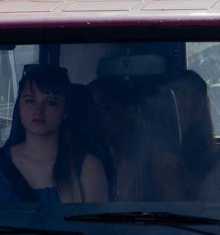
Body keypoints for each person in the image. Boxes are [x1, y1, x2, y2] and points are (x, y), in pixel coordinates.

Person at [0, 65, 108, 203]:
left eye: (51, 102)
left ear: (66, 111)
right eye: (30, 101)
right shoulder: (3, 163)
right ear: (19, 106)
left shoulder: (87, 167)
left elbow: (95, 224)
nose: (38, 110)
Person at [89, 76, 189, 201]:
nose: (96, 119)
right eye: (90, 112)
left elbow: (179, 217)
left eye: (106, 109)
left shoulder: (165, 166)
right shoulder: (90, 168)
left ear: (129, 111)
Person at [169, 69, 216, 188]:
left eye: (196, 95)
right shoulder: (154, 150)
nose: (189, 102)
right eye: (183, 94)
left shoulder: (206, 154)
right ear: (168, 100)